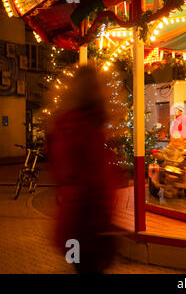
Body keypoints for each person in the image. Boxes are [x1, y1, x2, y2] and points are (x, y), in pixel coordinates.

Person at [46, 65, 122, 274]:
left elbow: (58, 172)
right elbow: (98, 179)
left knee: (78, 265)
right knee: (89, 268)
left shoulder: (61, 126)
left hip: (69, 220)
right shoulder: (90, 128)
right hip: (91, 222)